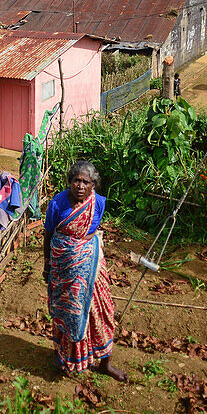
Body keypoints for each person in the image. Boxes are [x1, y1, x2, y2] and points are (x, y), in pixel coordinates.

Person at [43, 161, 126, 381]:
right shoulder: (57, 204)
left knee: (102, 312)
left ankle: (105, 363)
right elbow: (48, 235)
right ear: (70, 181)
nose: (80, 185)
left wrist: (83, 252)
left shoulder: (97, 203)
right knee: (66, 313)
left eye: (85, 182)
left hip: (91, 270)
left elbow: (92, 233)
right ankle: (62, 356)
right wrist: (47, 264)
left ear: (93, 186)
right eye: (76, 180)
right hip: (63, 269)